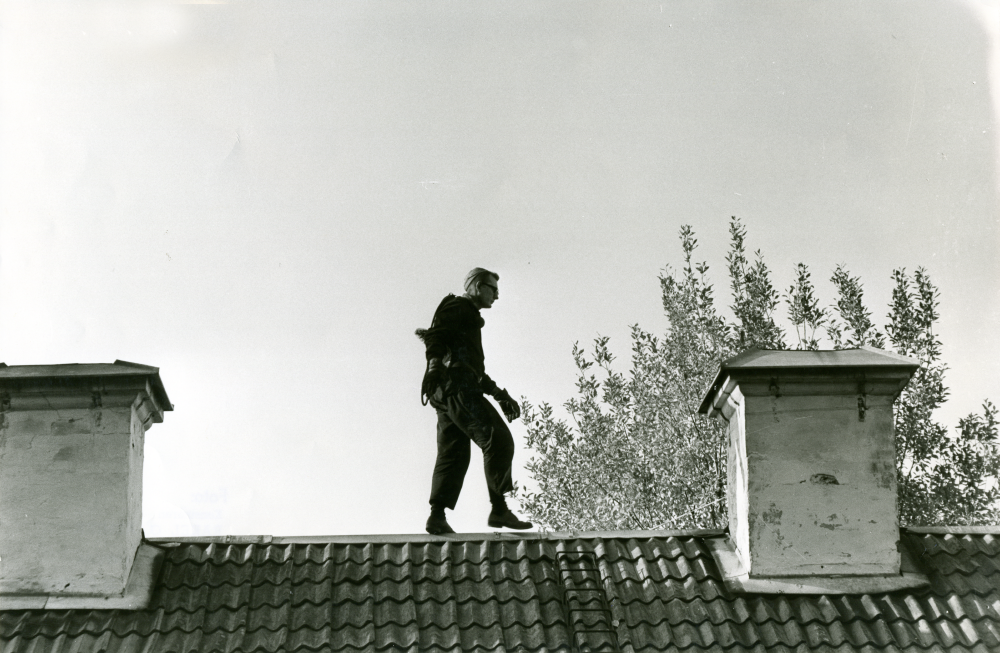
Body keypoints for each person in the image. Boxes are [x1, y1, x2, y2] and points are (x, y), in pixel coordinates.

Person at [416, 267, 532, 535]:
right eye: (493, 288)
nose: (497, 295)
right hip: (456, 387)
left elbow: (473, 369)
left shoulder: (467, 317)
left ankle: (437, 516)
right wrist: (433, 365)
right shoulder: (457, 306)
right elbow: (436, 336)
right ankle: (500, 507)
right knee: (498, 439)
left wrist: (498, 394)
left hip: (448, 389)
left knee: (453, 454)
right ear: (477, 287)